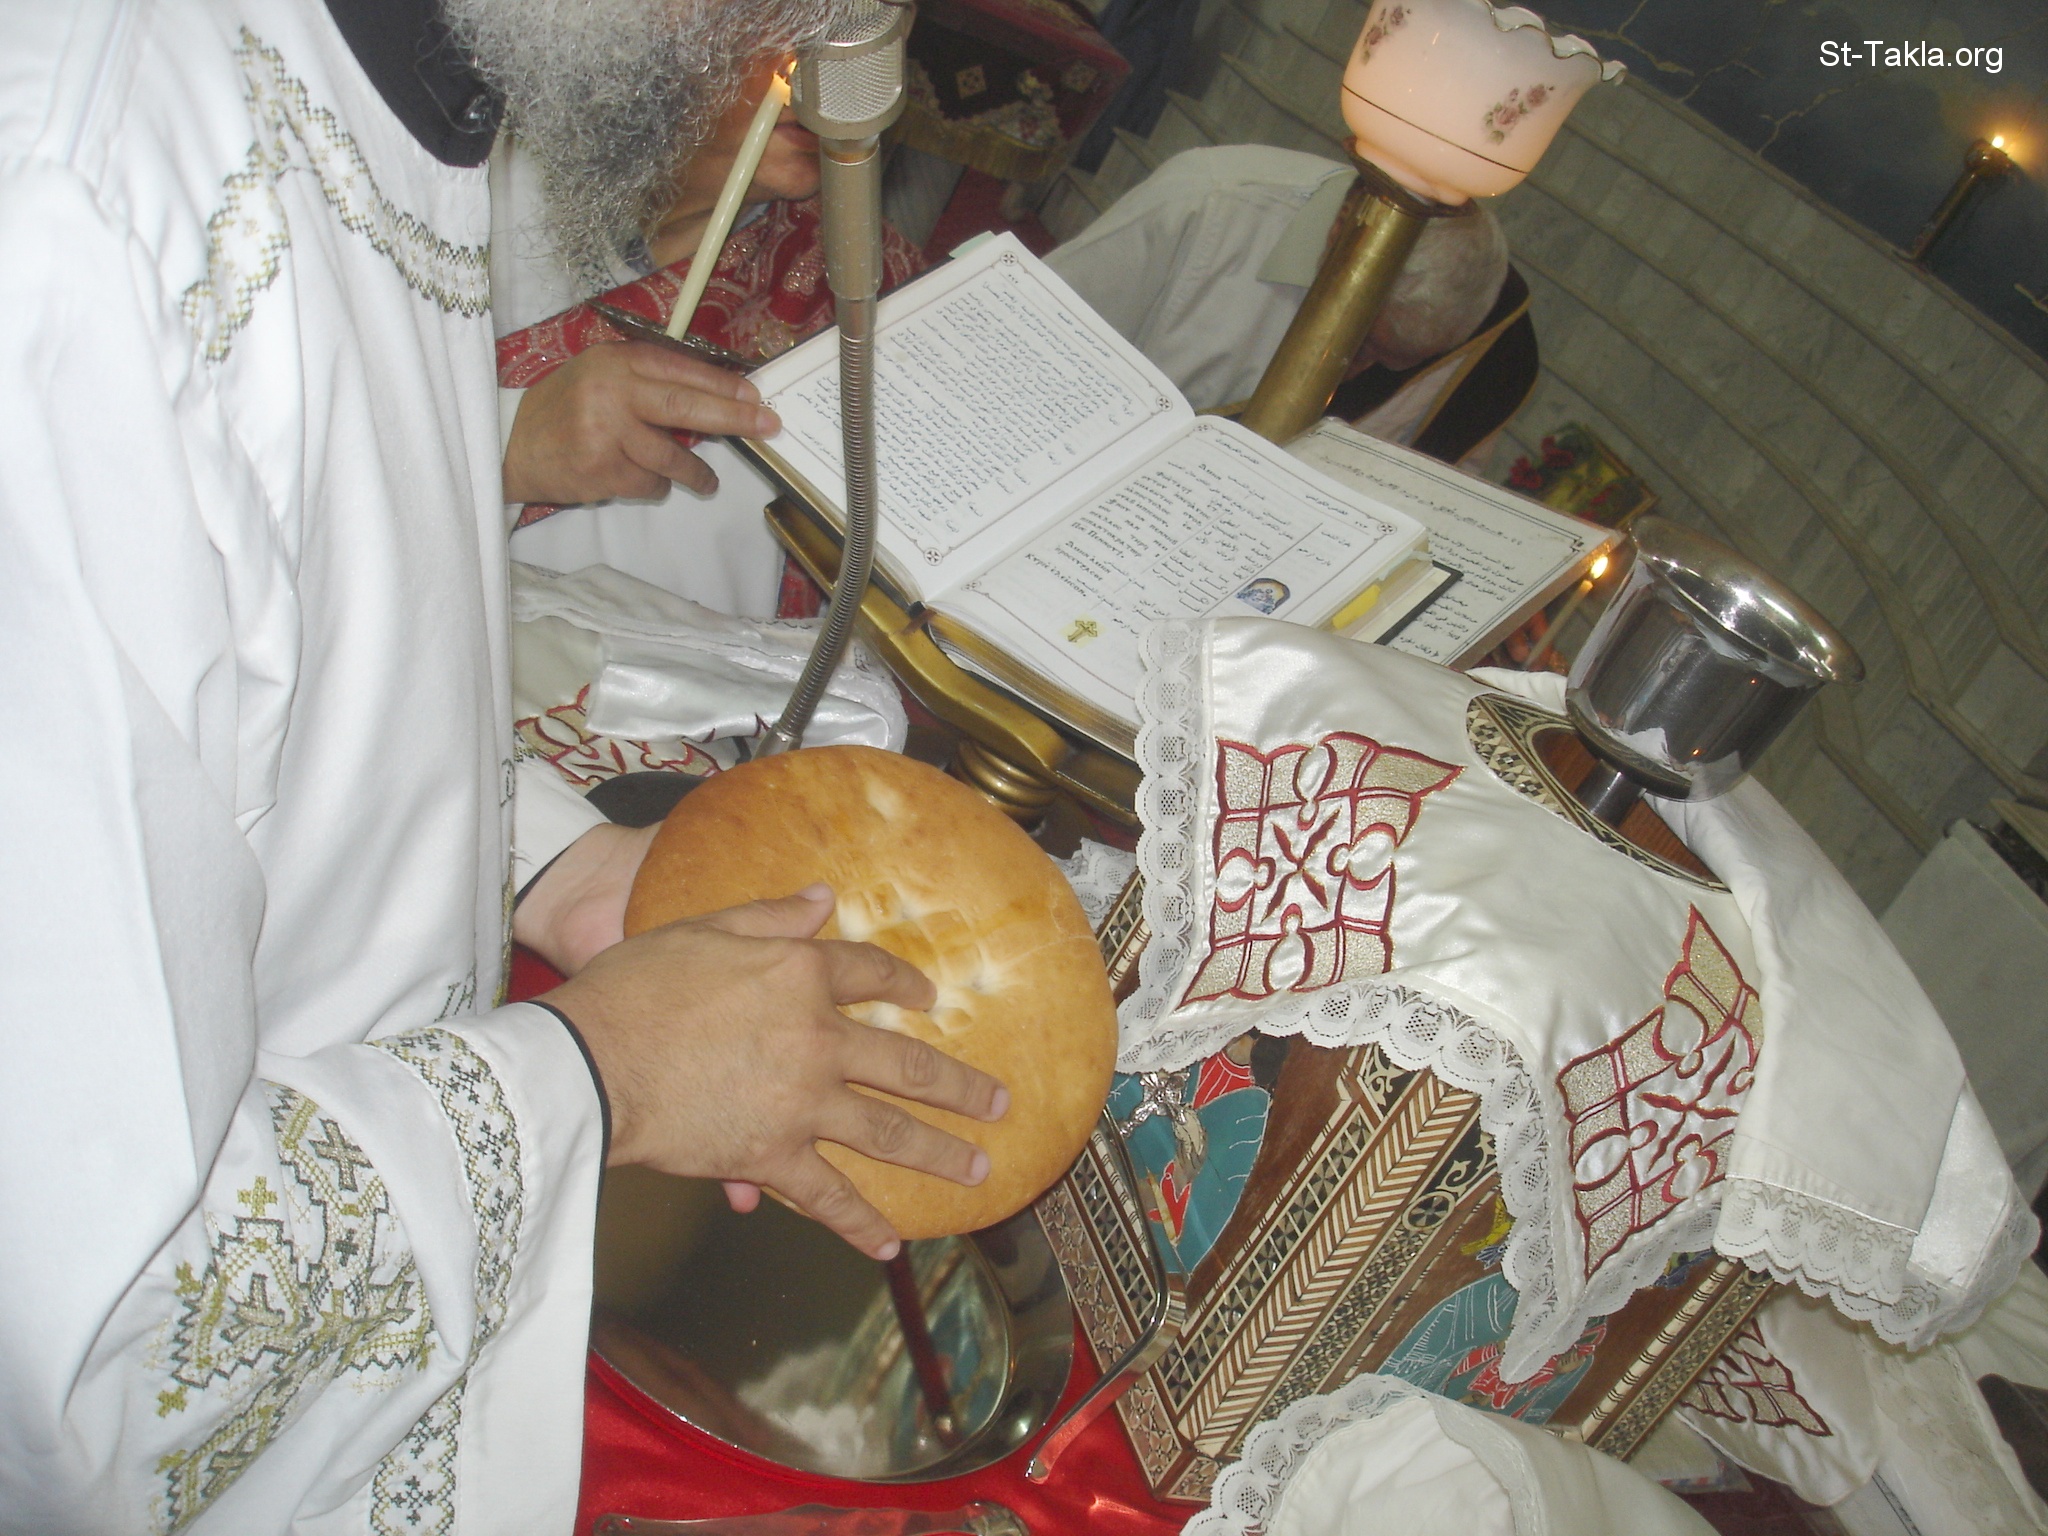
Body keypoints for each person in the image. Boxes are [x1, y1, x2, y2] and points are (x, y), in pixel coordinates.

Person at [0, 0, 1005, 1530]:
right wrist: (607, 1073)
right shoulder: (71, 225)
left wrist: (556, 861)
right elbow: (82, 1360)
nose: (823, 26)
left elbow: (298, 638)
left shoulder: (395, 79)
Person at [492, 61, 927, 615]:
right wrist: (509, 449)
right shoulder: (465, 184)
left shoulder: (875, 290)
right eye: (784, 20)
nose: (826, 70)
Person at [1045, 143, 1509, 435]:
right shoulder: (1210, 204)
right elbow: (1031, 339)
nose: (1354, 372)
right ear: (1342, 238)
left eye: (1384, 364)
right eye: (1364, 344)